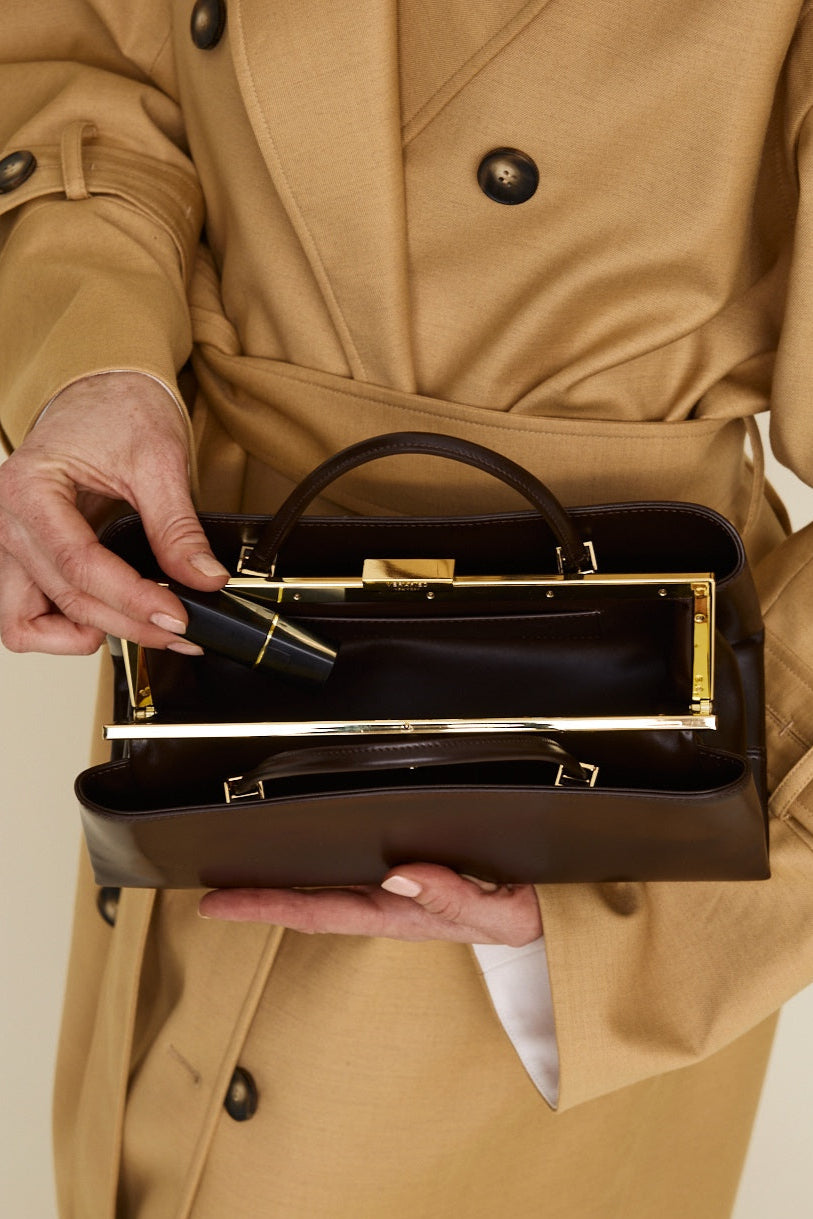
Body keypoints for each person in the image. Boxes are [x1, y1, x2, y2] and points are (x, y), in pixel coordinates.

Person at [2, 2, 813, 1215]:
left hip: (584, 785)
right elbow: (87, 70)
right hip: (211, 632)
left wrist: (631, 937)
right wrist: (89, 358)